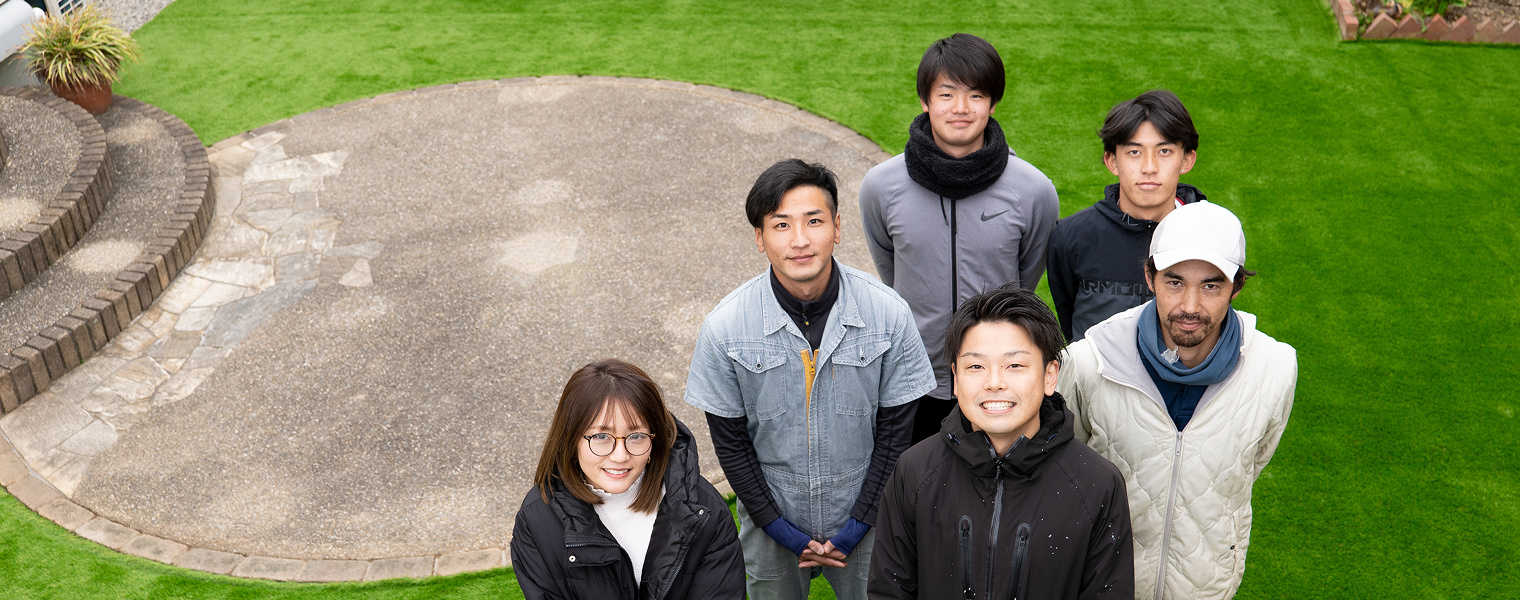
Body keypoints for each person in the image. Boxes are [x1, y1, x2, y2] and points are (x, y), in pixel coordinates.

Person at [685, 159, 936, 600]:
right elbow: (731, 444)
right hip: (769, 521)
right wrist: (778, 529)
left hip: (871, 516)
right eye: (781, 225)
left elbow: (897, 434)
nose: (799, 240)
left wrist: (859, 524)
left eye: (814, 221)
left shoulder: (889, 313)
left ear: (837, 227)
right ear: (760, 238)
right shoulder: (724, 327)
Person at [1057, 202, 1297, 599]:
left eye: (1211, 286)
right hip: (1101, 584)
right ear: (1149, 277)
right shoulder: (1087, 361)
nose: (1189, 306)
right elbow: (1065, 470)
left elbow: (1248, 465)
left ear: (1237, 286)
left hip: (1206, 586)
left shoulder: (1276, 366)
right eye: (1174, 282)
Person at [867, 285, 1133, 600]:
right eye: (976, 366)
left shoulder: (1097, 484)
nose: (994, 383)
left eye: (1015, 365)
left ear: (1050, 375)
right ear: (956, 378)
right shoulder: (915, 471)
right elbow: (889, 590)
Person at [859, 33, 1060, 444]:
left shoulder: (1033, 190)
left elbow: (1024, 279)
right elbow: (891, 273)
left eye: (976, 95)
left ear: (993, 103)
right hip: (912, 383)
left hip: (997, 385)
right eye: (947, 94)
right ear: (925, 100)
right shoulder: (880, 187)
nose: (961, 108)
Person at [511, 359, 744, 600]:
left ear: (654, 439)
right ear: (571, 440)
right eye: (601, 436)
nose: (620, 456)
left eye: (636, 436)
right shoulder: (536, 520)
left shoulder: (704, 509)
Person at [1046, 90, 1205, 342]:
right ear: (1112, 161)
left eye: (1164, 151)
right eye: (1134, 152)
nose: (1149, 167)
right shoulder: (1070, 237)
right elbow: (1069, 323)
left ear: (1186, 159)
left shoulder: (1211, 233)